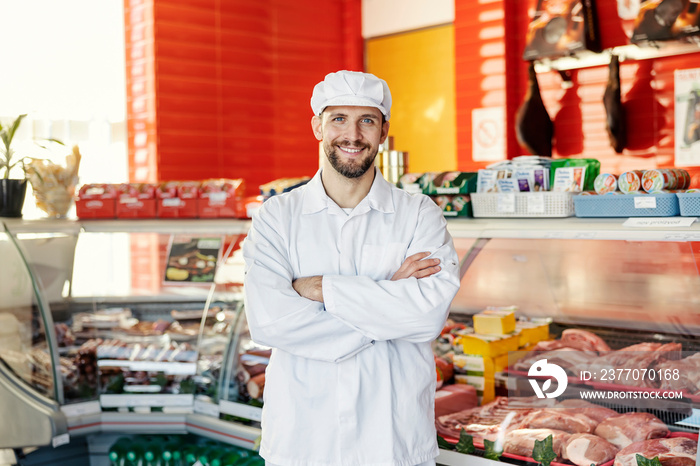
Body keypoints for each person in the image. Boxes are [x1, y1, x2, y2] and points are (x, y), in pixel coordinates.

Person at [242, 70, 461, 466]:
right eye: (339, 119)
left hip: (393, 440)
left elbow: (426, 317)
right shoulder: (277, 217)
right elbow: (270, 323)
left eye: (367, 120)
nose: (353, 135)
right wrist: (387, 296)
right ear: (317, 126)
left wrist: (322, 288)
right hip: (303, 439)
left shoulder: (418, 214)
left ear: (384, 130)